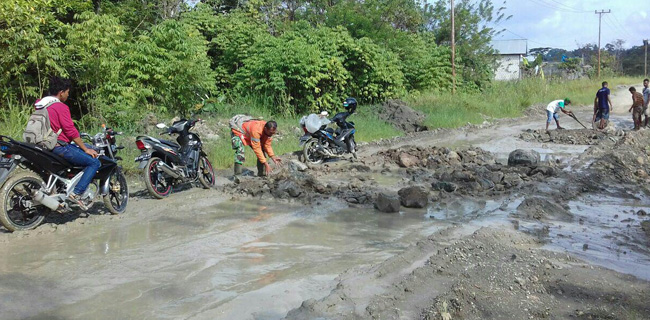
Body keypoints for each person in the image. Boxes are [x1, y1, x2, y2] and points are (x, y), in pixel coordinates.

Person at [36, 77, 99, 210]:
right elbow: (70, 131)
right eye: (67, 92)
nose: (68, 95)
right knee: (94, 162)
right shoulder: (60, 107)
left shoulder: (39, 103)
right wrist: (85, 149)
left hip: (42, 145)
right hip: (59, 147)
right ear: (61, 92)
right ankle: (76, 194)